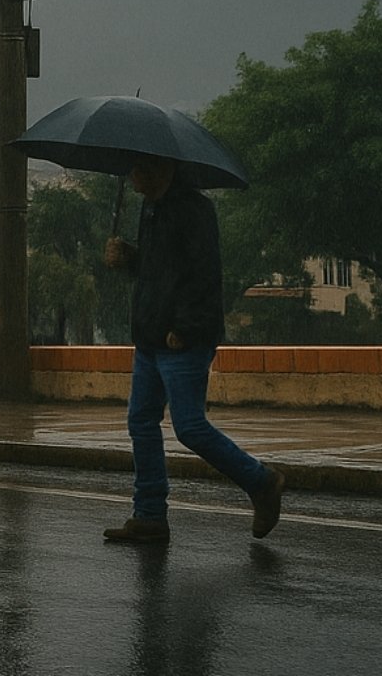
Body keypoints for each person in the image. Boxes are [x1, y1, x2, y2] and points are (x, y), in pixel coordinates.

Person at [101, 154, 285, 545]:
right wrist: (129, 258)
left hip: (181, 338)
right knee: (141, 420)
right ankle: (149, 513)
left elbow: (203, 273)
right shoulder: (151, 208)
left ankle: (261, 480)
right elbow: (157, 269)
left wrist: (184, 328)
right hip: (150, 337)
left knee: (189, 426)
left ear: (156, 168)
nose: (131, 180)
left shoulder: (194, 210)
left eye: (135, 170)